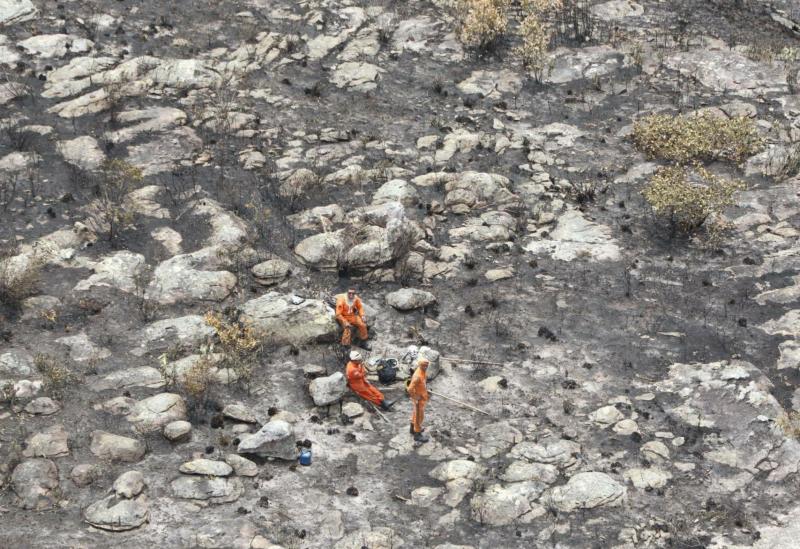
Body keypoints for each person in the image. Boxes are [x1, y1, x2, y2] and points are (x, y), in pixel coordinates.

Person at [407, 358, 430, 443]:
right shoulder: (417, 376)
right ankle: (417, 434)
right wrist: (415, 396)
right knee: (419, 416)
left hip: (422, 396)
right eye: (424, 365)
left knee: (415, 413)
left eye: (427, 365)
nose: (426, 367)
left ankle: (412, 429)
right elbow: (409, 389)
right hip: (418, 399)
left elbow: (423, 383)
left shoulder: (422, 371)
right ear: (420, 365)